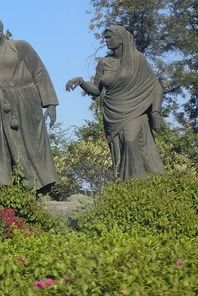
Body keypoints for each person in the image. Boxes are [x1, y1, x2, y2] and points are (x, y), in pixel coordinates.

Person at [0, 18, 58, 192]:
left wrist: (50, 103)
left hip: (24, 100)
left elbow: (39, 72)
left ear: (0, 32)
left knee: (25, 144)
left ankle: (37, 186)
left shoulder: (20, 46)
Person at [66, 25, 164, 181]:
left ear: (121, 39)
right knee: (120, 150)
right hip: (112, 113)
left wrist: (155, 111)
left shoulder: (138, 59)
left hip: (136, 109)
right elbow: (97, 91)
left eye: (109, 37)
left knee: (130, 140)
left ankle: (138, 184)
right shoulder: (104, 63)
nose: (106, 40)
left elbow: (155, 86)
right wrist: (81, 82)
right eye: (105, 37)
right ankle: (125, 187)